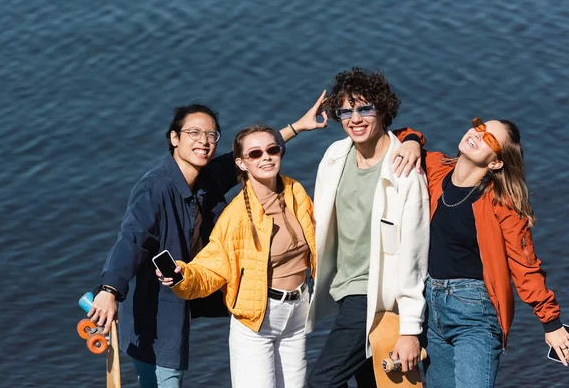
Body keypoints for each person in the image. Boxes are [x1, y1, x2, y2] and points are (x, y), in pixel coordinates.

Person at [87, 100, 327, 388]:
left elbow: (252, 154)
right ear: (174, 139)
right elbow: (131, 238)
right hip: (154, 305)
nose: (204, 141)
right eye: (194, 133)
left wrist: (297, 127)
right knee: (166, 379)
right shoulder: (155, 188)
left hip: (189, 287)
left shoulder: (206, 176)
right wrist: (109, 289)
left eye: (211, 135)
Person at [393, 117, 569, 387]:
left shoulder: (502, 202)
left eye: (489, 139)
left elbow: (524, 265)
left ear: (495, 162)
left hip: (475, 314)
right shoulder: (436, 168)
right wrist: (413, 141)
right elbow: (394, 134)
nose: (477, 134)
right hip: (430, 307)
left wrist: (551, 322)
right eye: (479, 126)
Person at [157, 125, 316, 388]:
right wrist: (182, 275)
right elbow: (211, 268)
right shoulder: (236, 217)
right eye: (255, 154)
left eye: (272, 150)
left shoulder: (295, 192)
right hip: (257, 320)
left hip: (298, 312)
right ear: (241, 163)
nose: (265, 157)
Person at [305, 68, 430, 387]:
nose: (354, 118)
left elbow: (414, 253)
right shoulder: (335, 156)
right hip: (342, 289)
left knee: (321, 380)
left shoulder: (403, 170)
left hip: (374, 295)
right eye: (345, 111)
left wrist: (410, 329)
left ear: (383, 110)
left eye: (364, 108)